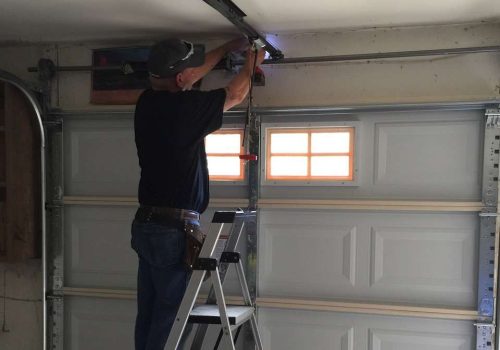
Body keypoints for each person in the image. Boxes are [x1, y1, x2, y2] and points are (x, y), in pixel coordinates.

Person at [131, 37, 265, 350]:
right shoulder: (185, 109)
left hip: (147, 226)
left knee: (150, 315)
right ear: (181, 78)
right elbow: (235, 93)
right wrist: (251, 63)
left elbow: (186, 76)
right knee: (170, 318)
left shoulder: (147, 102)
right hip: (171, 232)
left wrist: (227, 49)